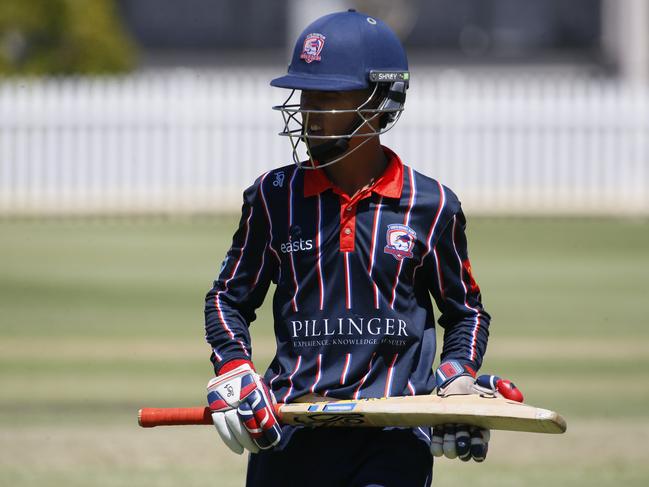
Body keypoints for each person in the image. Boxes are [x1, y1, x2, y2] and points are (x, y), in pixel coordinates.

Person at [203, 9, 521, 487]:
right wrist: (234, 368)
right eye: (305, 94)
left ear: (379, 102)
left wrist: (456, 382)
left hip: (393, 439)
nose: (309, 111)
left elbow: (466, 313)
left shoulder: (431, 205)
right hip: (291, 432)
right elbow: (227, 298)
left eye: (328, 96)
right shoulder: (272, 198)